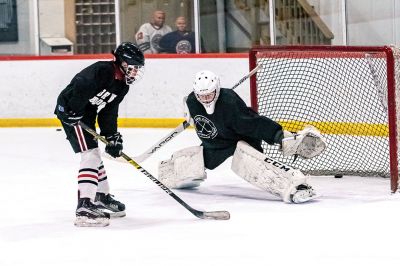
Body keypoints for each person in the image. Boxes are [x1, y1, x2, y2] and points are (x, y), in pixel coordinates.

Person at [158, 70, 327, 203]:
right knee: (188, 164)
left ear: (216, 90)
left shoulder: (229, 102)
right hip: (215, 145)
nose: (206, 99)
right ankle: (171, 171)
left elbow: (253, 123)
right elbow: (190, 109)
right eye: (201, 96)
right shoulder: (191, 102)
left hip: (241, 139)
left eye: (209, 94)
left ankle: (296, 185)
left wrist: (278, 136)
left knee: (253, 165)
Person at [54, 42, 145, 227]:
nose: (135, 72)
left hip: (86, 114)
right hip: (71, 112)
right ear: (123, 63)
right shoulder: (103, 70)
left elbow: (109, 112)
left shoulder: (122, 86)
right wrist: (72, 109)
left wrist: (112, 136)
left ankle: (101, 196)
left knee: (94, 154)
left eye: (138, 69)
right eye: (133, 68)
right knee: (91, 154)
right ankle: (84, 207)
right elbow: (81, 83)